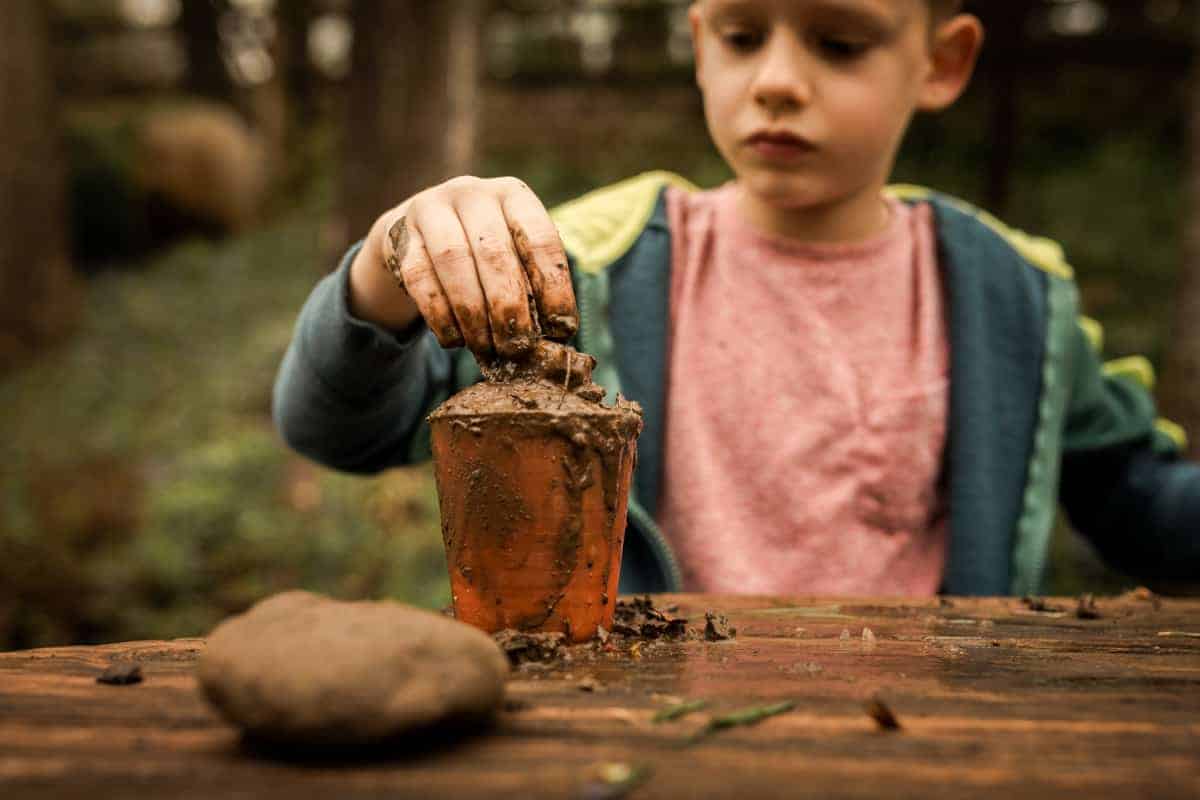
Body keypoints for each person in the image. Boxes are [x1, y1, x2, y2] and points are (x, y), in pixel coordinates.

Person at [273, 0, 1200, 597]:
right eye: (742, 36)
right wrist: (385, 272)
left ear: (942, 62)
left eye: (839, 43)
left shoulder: (1017, 297)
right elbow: (340, 431)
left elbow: (1130, 498)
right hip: (647, 739)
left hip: (930, 745)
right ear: (698, 45)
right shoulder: (583, 267)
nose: (777, 83)